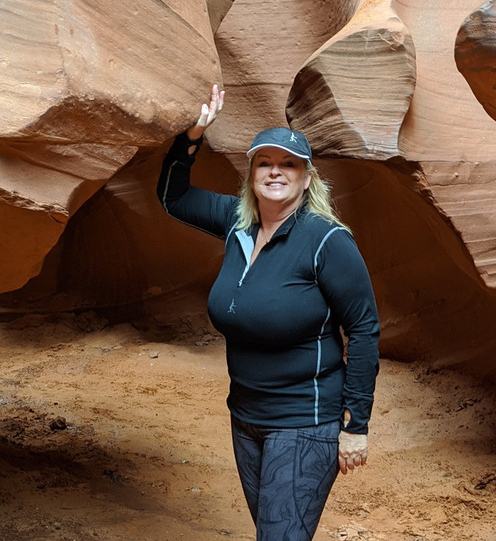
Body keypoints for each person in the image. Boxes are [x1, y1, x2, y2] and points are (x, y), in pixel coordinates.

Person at [157, 84, 380, 541]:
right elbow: (172, 196)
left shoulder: (326, 240)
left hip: (304, 420)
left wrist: (356, 425)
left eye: (289, 164)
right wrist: (193, 136)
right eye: (265, 162)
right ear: (252, 173)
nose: (275, 171)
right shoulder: (237, 224)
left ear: (307, 178)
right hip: (247, 416)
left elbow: (363, 329)